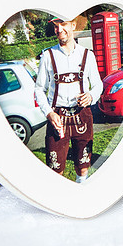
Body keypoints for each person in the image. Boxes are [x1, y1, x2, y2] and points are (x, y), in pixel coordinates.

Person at [34, 16, 103, 183]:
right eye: (56, 26)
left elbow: (98, 85)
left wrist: (91, 96)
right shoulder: (48, 56)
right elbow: (39, 89)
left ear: (73, 25)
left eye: (63, 24)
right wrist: (49, 113)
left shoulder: (87, 55)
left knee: (83, 165)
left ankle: (82, 190)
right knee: (55, 169)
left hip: (82, 117)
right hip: (57, 118)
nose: (59, 29)